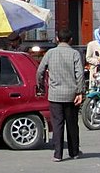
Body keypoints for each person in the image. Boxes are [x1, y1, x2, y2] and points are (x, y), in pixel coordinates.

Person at [36, 28, 84, 162]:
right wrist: (80, 91)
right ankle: (74, 152)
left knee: (57, 124)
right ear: (71, 40)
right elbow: (79, 74)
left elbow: (40, 71)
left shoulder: (50, 53)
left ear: (57, 38)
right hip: (71, 94)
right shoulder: (75, 53)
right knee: (72, 124)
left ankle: (57, 154)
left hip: (55, 94)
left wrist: (41, 86)